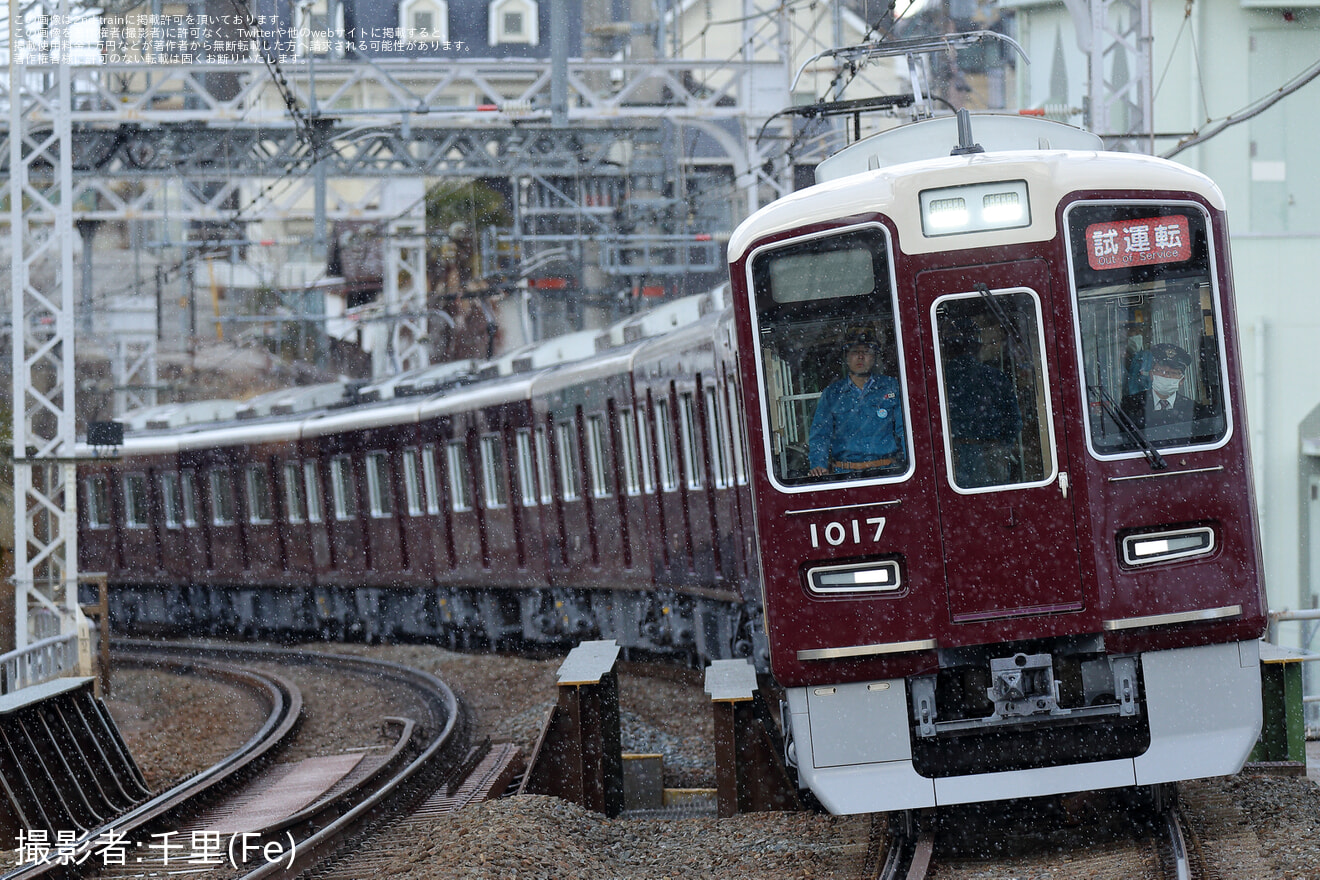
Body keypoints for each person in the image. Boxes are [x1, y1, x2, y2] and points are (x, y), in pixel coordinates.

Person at [807, 331, 904, 477]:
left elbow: (905, 430)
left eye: (866, 351)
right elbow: (820, 435)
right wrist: (818, 465)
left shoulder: (891, 387)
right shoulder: (832, 394)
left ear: (875, 356)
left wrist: (913, 463)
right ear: (846, 357)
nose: (860, 357)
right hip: (845, 475)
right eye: (854, 352)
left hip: (888, 471)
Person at [941, 317, 1023, 488]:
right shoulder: (994, 377)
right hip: (991, 453)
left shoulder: (938, 381)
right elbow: (1014, 420)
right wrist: (1002, 447)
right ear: (976, 348)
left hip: (951, 457)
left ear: (947, 350)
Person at [1120, 342, 1209, 429]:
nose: (1166, 376)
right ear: (1151, 374)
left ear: (1181, 380)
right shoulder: (1131, 405)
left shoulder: (1194, 410)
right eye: (1161, 371)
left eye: (1173, 373)